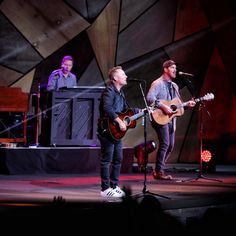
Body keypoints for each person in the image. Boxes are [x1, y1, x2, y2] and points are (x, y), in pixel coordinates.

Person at [146, 60, 196, 180]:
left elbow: (176, 106)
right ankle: (159, 172)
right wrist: (163, 106)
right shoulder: (157, 83)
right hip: (159, 117)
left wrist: (187, 105)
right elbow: (149, 98)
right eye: (172, 67)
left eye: (175, 68)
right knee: (165, 143)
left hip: (170, 119)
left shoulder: (174, 86)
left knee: (170, 145)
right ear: (165, 69)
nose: (175, 70)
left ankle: (159, 170)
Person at [97, 66, 141, 198]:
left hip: (115, 132)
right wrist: (119, 121)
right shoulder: (109, 91)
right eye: (123, 74)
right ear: (115, 78)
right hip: (107, 130)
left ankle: (114, 186)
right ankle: (105, 189)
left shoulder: (121, 93)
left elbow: (125, 111)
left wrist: (141, 111)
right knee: (107, 159)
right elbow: (107, 108)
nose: (126, 76)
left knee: (118, 159)